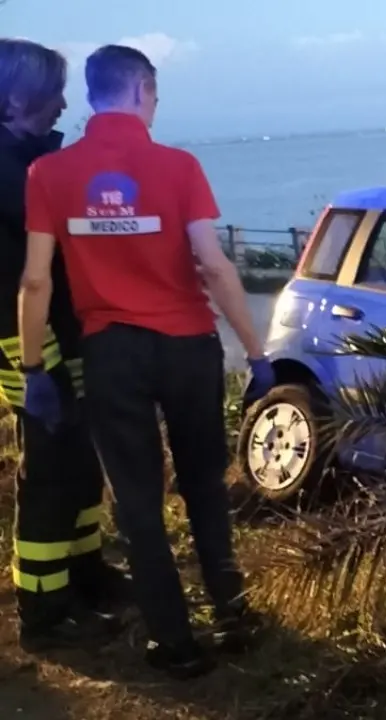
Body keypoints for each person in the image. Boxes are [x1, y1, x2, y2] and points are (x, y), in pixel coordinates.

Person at [17, 44, 276, 679]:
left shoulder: (48, 174)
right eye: (154, 96)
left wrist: (31, 369)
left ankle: (174, 642)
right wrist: (258, 350)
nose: (155, 106)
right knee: (204, 486)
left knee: (137, 499)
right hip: (188, 346)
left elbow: (35, 282)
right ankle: (231, 612)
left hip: (109, 353)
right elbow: (213, 267)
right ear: (140, 91)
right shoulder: (178, 166)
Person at [0, 37, 129, 652]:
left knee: (79, 456)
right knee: (50, 465)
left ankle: (86, 572)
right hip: (21, 337)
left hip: (62, 325)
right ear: (14, 97)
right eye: (51, 91)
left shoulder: (27, 154)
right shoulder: (6, 166)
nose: (62, 103)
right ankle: (44, 608)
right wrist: (32, 368)